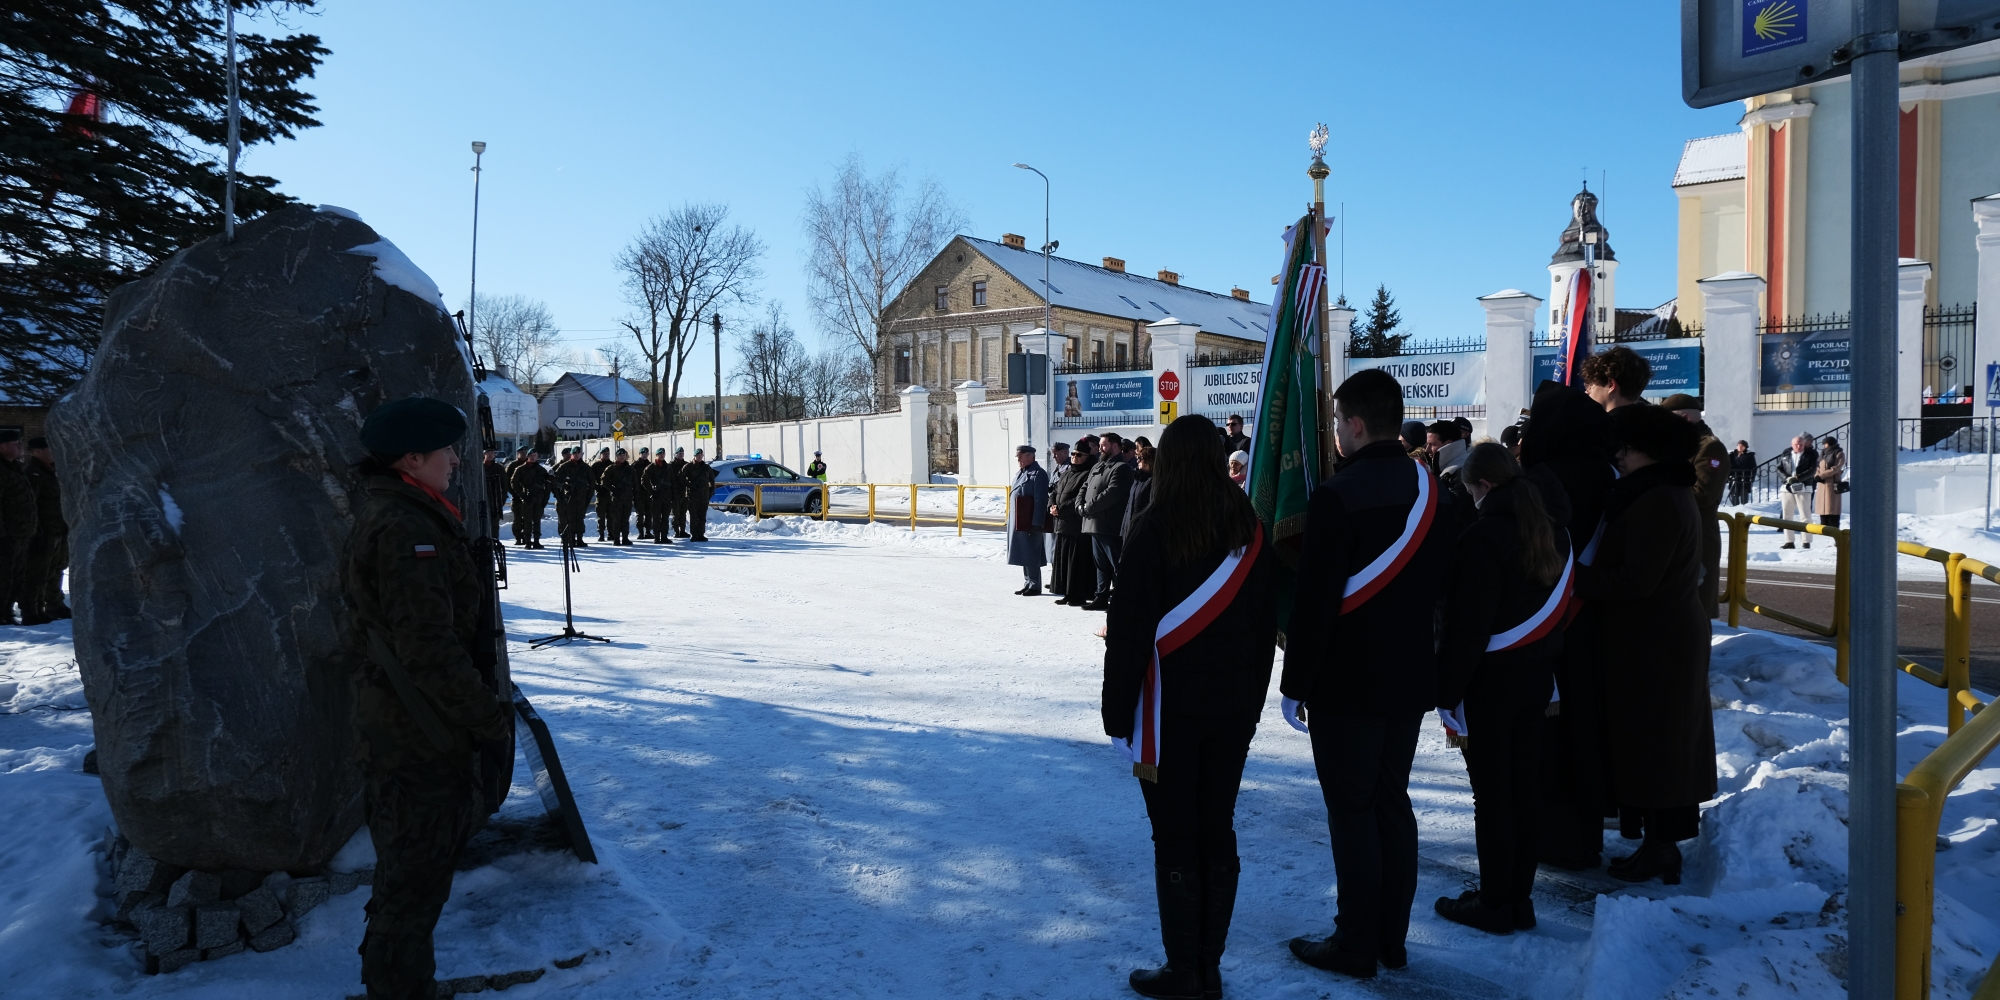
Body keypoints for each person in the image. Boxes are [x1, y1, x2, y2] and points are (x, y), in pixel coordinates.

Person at [340, 397, 514, 1000]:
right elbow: (429, 649)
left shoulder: (408, 514)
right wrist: (487, 719)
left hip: (408, 724)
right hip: (416, 733)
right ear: (411, 459)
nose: (455, 463)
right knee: (413, 881)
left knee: (409, 876)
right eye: (446, 453)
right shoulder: (407, 528)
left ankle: (399, 983)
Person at [1282, 369, 1454, 979]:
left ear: (1355, 424)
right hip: (1408, 678)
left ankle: (1355, 942)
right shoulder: (1431, 488)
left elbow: (1317, 599)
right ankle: (1390, 937)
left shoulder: (1337, 494)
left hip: (1346, 683)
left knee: (1352, 812)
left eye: (1335, 422)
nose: (1334, 431)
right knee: (1390, 804)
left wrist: (1294, 682)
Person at [1102, 414, 1277, 1000]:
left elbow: (1129, 630)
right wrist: (1252, 702)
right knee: (1217, 828)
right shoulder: (1249, 526)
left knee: (1175, 835)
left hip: (1168, 710)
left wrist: (1115, 711)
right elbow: (1263, 628)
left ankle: (1186, 969)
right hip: (1231, 709)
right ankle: (1209, 964)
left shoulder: (1154, 528)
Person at [1431, 442, 1570, 934]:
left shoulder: (1484, 538)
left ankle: (1495, 903)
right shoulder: (1554, 530)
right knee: (1523, 791)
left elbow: (1467, 629)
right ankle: (1519, 899)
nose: (1468, 498)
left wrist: (1445, 692)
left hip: (1490, 685)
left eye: (1469, 490)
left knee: (1492, 797)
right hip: (1537, 679)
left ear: (1484, 486)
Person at [1577, 403, 1716, 885]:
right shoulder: (1658, 490)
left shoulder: (1658, 498)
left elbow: (1637, 579)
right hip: (1654, 637)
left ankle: (1662, 848)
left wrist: (1575, 579)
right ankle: (1657, 844)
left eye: (1626, 448)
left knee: (1661, 746)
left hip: (1659, 642)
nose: (1618, 456)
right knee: (1657, 743)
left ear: (1646, 450)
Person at [1515, 382, 1617, 872]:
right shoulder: (1607, 469)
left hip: (1549, 620)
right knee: (1587, 728)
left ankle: (1554, 838)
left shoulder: (1545, 477)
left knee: (1553, 735)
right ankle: (1585, 834)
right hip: (1593, 621)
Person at [1660, 395, 1728, 619]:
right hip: (1680, 533)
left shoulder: (1710, 448)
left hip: (1698, 535)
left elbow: (1703, 495)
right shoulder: (1680, 445)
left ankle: (1700, 653)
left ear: (1685, 418)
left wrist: (1658, 485)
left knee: (1696, 606)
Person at [1081, 432, 1134, 611]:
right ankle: (1101, 596)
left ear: (1115, 446)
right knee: (1100, 564)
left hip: (1110, 525)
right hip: (1094, 523)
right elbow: (1085, 486)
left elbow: (1111, 494)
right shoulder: (1098, 465)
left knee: (1117, 565)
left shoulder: (1121, 468)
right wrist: (1079, 504)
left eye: (1104, 445)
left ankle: (1123, 599)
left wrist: (1088, 507)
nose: (1100, 448)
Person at [22, 437, 66, 622]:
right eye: (50, 449)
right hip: (43, 531)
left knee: (57, 569)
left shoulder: (52, 471)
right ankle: (33, 609)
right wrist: (36, 531)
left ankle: (54, 603)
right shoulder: (33, 473)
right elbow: (30, 505)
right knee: (38, 572)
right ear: (37, 452)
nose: (54, 452)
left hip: (58, 529)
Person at [1051, 442, 1097, 606]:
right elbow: (1055, 492)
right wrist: (1052, 506)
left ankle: (1078, 595)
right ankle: (1068, 593)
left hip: (1076, 525)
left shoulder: (1087, 473)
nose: (1074, 458)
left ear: (1087, 457)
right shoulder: (1067, 473)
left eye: (1079, 455)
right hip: (1062, 524)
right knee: (1063, 561)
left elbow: (1080, 497)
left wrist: (1061, 509)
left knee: (1076, 563)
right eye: (1073, 454)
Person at [0, 430, 36, 626]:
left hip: (21, 534)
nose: (20, 447)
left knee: (16, 577)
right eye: (16, 443)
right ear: (2, 446)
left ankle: (6, 611)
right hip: (6, 535)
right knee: (3, 577)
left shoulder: (16, 468)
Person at [1008, 445, 1050, 595]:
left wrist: (1037, 522)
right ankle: (1028, 582)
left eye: (1021, 456)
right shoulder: (1021, 473)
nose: (1018, 459)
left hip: (1030, 520)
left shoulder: (1038, 474)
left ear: (1030, 456)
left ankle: (1035, 585)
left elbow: (1040, 500)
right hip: (1020, 519)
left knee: (1031, 552)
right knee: (1024, 552)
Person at [1577, 346, 1651, 411]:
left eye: (1590, 386)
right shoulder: (1656, 423)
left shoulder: (1599, 426)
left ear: (1611, 385)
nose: (1586, 392)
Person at [1777, 436, 1818, 548]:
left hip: (1804, 487)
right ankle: (1789, 541)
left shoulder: (1811, 454)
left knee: (1805, 515)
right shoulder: (1786, 454)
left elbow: (1812, 470)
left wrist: (1798, 478)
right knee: (1787, 515)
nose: (1799, 446)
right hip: (1787, 487)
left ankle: (1806, 541)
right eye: (1796, 444)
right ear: (1792, 444)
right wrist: (1786, 478)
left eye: (1801, 444)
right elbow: (1779, 468)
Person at [554, 448, 594, 547]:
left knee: (580, 518)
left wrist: (589, 495)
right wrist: (564, 486)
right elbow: (555, 479)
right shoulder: (564, 466)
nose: (576, 455)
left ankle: (580, 538)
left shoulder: (585, 467)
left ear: (581, 454)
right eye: (574, 453)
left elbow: (592, 482)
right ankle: (571, 538)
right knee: (570, 518)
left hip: (582, 497)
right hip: (569, 497)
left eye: (578, 453)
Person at [509, 453, 550, 550]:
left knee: (537, 520)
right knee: (527, 520)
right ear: (527, 456)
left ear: (537, 457)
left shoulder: (542, 470)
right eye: (531, 455)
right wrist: (522, 495)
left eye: (535, 455)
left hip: (539, 499)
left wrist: (545, 498)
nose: (533, 457)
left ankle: (536, 541)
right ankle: (527, 541)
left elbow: (548, 484)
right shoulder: (520, 469)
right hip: (527, 498)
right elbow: (514, 483)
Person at [599, 449, 637, 545]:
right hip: (616, 498)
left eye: (624, 455)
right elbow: (603, 481)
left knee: (625, 519)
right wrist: (612, 489)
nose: (622, 457)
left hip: (627, 497)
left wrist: (635, 496)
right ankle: (616, 538)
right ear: (616, 456)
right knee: (616, 519)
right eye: (620, 455)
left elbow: (635, 484)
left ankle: (625, 538)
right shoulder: (611, 468)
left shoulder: (630, 469)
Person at [1122, 442, 1155, 542]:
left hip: (1142, 531)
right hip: (1129, 529)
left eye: (1140, 458)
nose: (1137, 460)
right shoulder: (1137, 479)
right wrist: (1123, 529)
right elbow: (1129, 506)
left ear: (1149, 461)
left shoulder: (1153, 481)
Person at [642, 451, 676, 545]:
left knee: (665, 517)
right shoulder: (651, 467)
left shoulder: (668, 467)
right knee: (656, 517)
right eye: (659, 454)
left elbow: (673, 481)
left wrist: (673, 495)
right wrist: (651, 491)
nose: (661, 456)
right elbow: (643, 480)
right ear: (656, 455)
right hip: (656, 496)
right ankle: (657, 537)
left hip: (667, 496)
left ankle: (664, 536)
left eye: (663, 454)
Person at [685, 449, 717, 542]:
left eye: (701, 455)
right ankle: (694, 535)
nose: (699, 456)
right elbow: (681, 478)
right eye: (697, 455)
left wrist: (709, 493)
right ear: (694, 456)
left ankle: (701, 534)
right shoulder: (689, 466)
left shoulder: (706, 467)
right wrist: (689, 486)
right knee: (694, 516)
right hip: (693, 496)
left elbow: (712, 481)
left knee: (702, 516)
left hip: (704, 496)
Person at [1814, 435, 1845, 528]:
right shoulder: (1823, 454)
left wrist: (1822, 475)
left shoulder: (1839, 453)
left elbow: (1836, 468)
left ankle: (1833, 529)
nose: (1824, 446)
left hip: (1832, 484)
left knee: (1832, 509)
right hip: (1822, 485)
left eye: (1825, 444)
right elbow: (1818, 466)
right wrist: (1817, 475)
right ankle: (1823, 526)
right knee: (1822, 509)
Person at [480, 449, 506, 540]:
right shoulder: (480, 467)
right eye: (488, 453)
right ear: (484, 454)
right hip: (482, 499)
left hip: (496, 500)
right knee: (482, 523)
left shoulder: (499, 469)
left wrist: (502, 499)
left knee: (494, 524)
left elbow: (504, 485)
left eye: (492, 453)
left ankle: (494, 542)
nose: (490, 455)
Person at [588, 448, 613, 541]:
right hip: (601, 494)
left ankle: (611, 534)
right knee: (601, 515)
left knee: (611, 515)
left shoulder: (612, 465)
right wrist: (596, 487)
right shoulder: (596, 466)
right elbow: (591, 479)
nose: (607, 455)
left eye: (608, 453)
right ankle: (601, 534)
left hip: (610, 494)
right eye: (604, 453)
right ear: (601, 454)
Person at [667, 447, 692, 538]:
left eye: (682, 453)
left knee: (683, 512)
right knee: (676, 513)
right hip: (675, 492)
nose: (681, 454)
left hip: (684, 492)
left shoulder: (686, 465)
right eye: (679, 453)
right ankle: (676, 531)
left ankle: (683, 530)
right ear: (675, 454)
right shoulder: (671, 465)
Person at [1727, 440, 1756, 506]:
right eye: (1739, 445)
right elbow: (1728, 466)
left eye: (1742, 446)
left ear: (1745, 447)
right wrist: (1729, 476)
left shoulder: (1749, 456)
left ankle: (1744, 508)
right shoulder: (1732, 455)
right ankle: (1735, 507)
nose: (1740, 447)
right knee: (1733, 494)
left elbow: (1753, 467)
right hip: (1734, 477)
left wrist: (1751, 477)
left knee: (1744, 494)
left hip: (1745, 478)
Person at [634, 447, 653, 540]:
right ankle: (641, 532)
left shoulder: (651, 465)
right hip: (638, 493)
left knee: (649, 513)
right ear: (639, 454)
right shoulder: (635, 466)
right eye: (643, 453)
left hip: (648, 493)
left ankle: (648, 531)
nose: (644, 455)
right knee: (640, 513)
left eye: (646, 453)